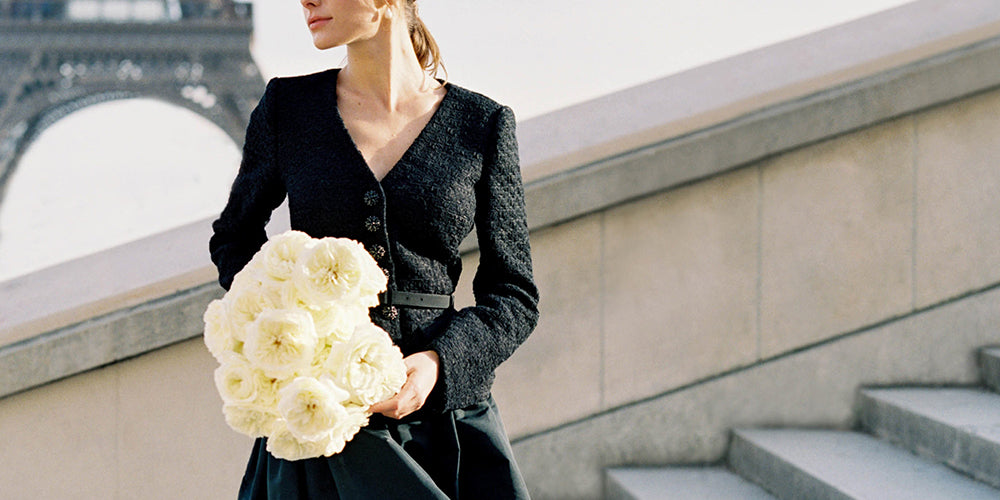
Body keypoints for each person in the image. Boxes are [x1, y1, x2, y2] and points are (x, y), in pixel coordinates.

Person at [207, 0, 539, 498]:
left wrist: (438, 363)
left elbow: (514, 295)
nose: (305, 1)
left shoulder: (482, 124)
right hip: (322, 428)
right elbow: (235, 239)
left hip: (443, 432)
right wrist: (295, 335)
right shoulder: (287, 109)